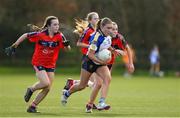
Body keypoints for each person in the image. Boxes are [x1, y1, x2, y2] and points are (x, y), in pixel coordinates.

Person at [5, 16, 71, 113]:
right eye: (55, 24)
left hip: (51, 64)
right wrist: (15, 45)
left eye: (58, 24)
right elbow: (25, 35)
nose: (57, 26)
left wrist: (66, 46)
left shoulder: (60, 36)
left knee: (47, 88)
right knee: (45, 83)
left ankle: (33, 106)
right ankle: (31, 89)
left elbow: (67, 49)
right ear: (48, 26)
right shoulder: (40, 34)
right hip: (38, 62)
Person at [61, 17, 124, 111]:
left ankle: (101, 102)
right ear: (102, 27)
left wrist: (113, 50)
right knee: (82, 85)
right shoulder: (96, 38)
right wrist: (102, 62)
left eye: (111, 28)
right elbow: (90, 55)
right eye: (108, 28)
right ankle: (67, 93)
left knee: (107, 79)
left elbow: (106, 44)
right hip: (89, 62)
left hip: (99, 63)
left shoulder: (108, 35)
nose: (110, 30)